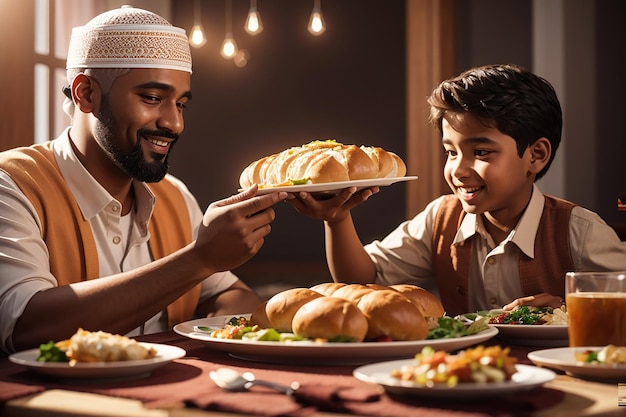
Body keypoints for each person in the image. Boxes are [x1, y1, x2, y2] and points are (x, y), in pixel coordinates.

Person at [0, 6, 287, 354]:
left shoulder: (175, 197)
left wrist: (211, 330)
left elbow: (234, 296)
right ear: (85, 94)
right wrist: (199, 259)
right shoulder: (12, 185)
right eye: (152, 98)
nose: (174, 124)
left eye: (181, 105)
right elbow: (25, 325)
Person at [287, 63, 626, 317]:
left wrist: (570, 308)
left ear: (535, 155)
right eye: (451, 152)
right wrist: (337, 219)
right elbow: (362, 281)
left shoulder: (579, 232)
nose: (458, 170)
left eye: (481, 152)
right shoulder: (441, 218)